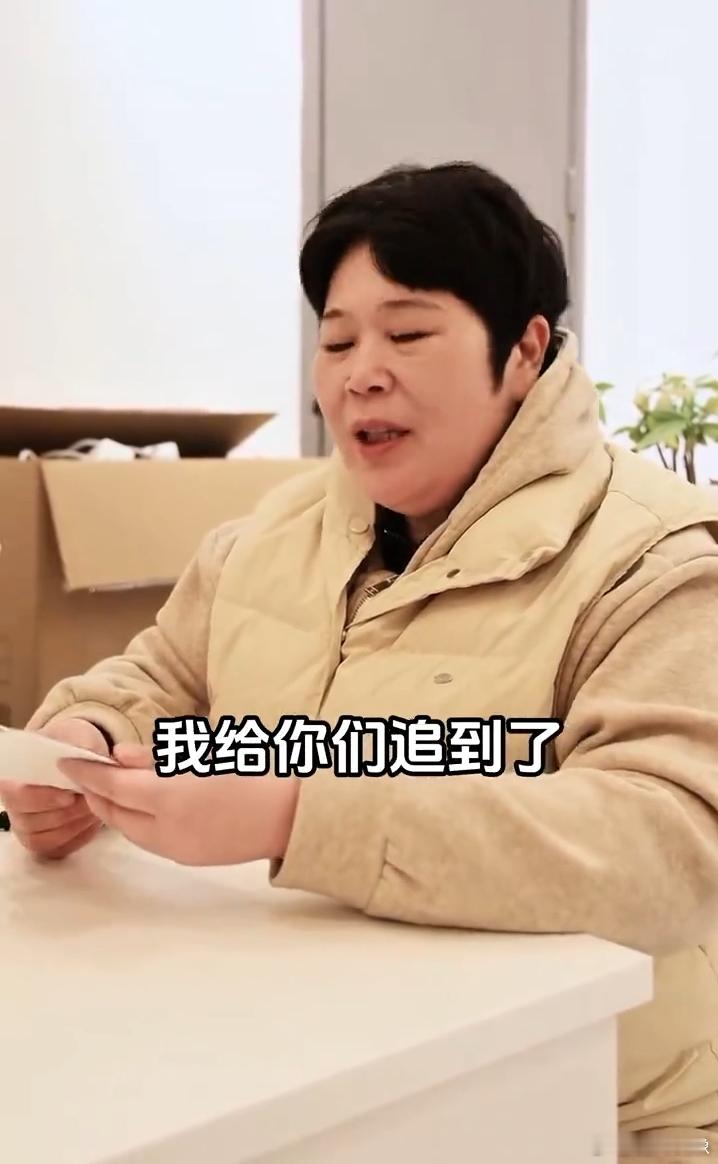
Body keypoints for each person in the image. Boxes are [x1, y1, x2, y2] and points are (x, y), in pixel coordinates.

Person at [2, 161, 718, 1158]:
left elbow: (665, 849)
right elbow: (161, 675)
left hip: (580, 1106)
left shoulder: (659, 558)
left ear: (524, 350)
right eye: (337, 340)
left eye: (408, 334)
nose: (359, 373)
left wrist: (299, 813)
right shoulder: (271, 531)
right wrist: (89, 738)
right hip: (306, 1069)